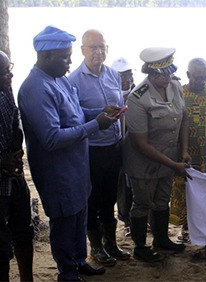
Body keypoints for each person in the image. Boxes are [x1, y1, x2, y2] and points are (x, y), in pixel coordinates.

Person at [18, 25, 118, 281]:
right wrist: (96, 124)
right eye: (65, 57)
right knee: (64, 221)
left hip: (76, 167)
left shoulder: (59, 78)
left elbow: (73, 115)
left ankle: (79, 260)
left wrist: (97, 114)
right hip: (57, 171)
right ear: (46, 56)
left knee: (79, 217)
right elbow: (51, 138)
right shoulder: (35, 88)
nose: (70, 62)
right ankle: (67, 271)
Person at [123, 47, 191, 263]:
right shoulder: (137, 99)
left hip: (168, 158)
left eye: (170, 72)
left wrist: (184, 151)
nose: (169, 77)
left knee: (162, 200)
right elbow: (141, 144)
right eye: (164, 74)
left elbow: (184, 118)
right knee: (142, 202)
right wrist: (174, 164)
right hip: (144, 162)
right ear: (152, 74)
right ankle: (140, 246)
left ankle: (161, 239)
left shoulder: (175, 86)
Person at [68, 29, 130, 266]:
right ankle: (95, 247)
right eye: (92, 47)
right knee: (92, 199)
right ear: (82, 50)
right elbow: (74, 118)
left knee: (110, 197)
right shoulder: (73, 80)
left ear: (107, 48)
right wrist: (98, 115)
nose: (98, 52)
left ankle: (111, 244)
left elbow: (122, 109)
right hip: (90, 150)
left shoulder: (114, 75)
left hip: (113, 147)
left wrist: (122, 139)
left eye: (101, 47)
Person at [170, 58, 206, 243]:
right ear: (188, 75)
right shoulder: (179, 93)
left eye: (205, 77)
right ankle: (186, 230)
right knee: (185, 191)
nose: (202, 81)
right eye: (197, 77)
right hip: (184, 154)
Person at [0, 50, 34, 282]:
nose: (10, 76)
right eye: (4, 72)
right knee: (1, 250)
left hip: (13, 179)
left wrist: (15, 153)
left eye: (10, 69)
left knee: (24, 232)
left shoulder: (5, 94)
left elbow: (14, 122)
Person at [111, 57, 135, 237]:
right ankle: (126, 221)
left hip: (137, 147)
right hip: (119, 147)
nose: (127, 78)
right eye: (122, 75)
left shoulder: (138, 92)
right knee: (123, 187)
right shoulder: (111, 94)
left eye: (129, 74)